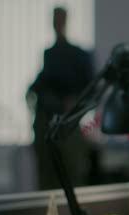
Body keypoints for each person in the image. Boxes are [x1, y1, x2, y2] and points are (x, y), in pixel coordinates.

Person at [27, 6, 94, 190]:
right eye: (54, 19)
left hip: (67, 124)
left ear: (65, 21)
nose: (56, 23)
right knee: (46, 177)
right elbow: (37, 86)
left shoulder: (78, 55)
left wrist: (74, 104)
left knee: (71, 176)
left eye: (59, 19)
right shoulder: (49, 55)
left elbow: (90, 91)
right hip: (46, 123)